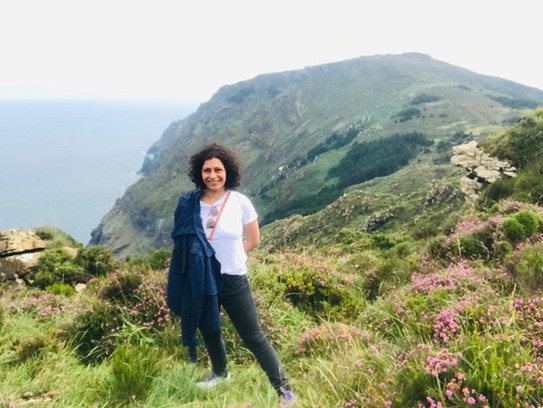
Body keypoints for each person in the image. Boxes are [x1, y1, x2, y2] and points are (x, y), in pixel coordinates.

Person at [166, 143, 295, 406]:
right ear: (198, 173)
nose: (212, 175)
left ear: (228, 171)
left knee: (254, 336)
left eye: (218, 169)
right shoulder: (189, 204)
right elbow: (181, 243)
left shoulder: (240, 202)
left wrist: (231, 256)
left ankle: (285, 391)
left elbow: (253, 239)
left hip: (233, 278)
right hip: (201, 280)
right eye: (206, 170)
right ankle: (220, 374)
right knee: (210, 330)